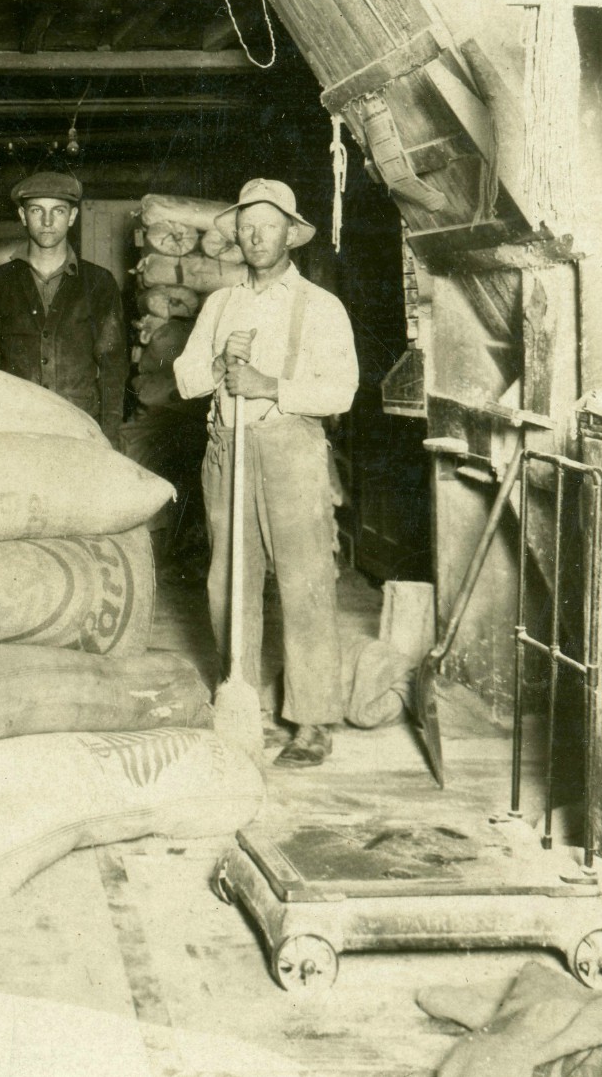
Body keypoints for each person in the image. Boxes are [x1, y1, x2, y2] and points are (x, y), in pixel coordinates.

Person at [172, 179, 357, 769]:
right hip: (227, 448)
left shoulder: (321, 307)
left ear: (289, 234)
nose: (256, 236)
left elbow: (343, 391)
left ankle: (312, 720)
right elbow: (183, 377)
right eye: (246, 227)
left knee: (304, 580)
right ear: (236, 236)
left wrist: (270, 386)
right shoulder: (219, 304)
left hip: (291, 448)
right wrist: (218, 365)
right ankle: (239, 701)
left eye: (268, 226)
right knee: (228, 579)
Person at [0, 171, 129, 445]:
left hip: (80, 430)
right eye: (36, 210)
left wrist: (109, 437)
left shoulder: (99, 282)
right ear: (22, 216)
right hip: (17, 429)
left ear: (73, 217)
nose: (47, 221)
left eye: (58, 211)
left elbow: (113, 368)